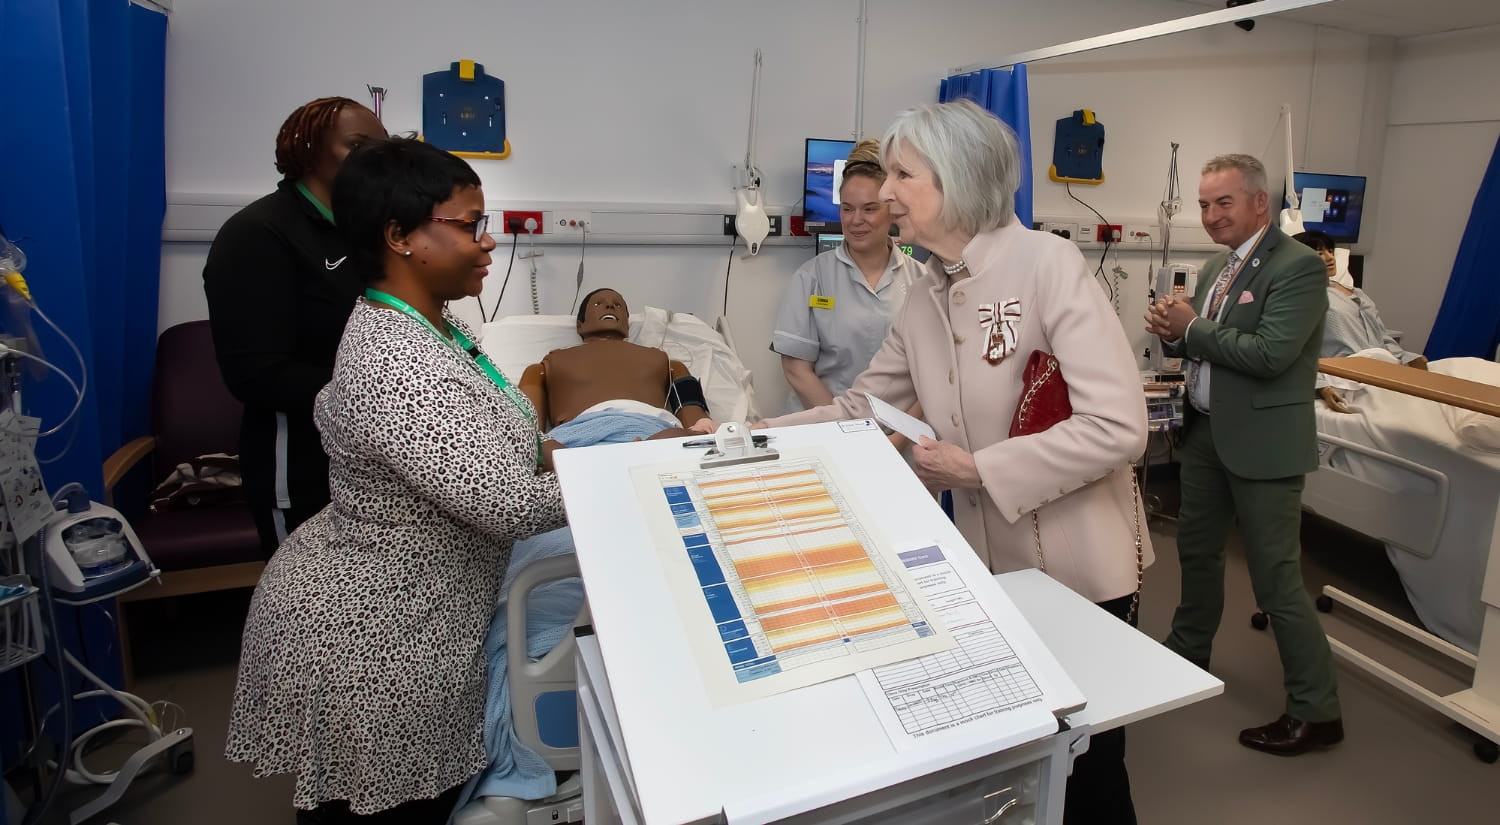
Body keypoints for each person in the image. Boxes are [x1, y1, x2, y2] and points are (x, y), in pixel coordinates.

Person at [758, 99, 1150, 825]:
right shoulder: (926, 291)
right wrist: (750, 435)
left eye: (905, 173)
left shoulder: (1047, 265)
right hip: (989, 566)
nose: (885, 193)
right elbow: (860, 409)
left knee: (1090, 763)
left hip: (1080, 567)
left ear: (958, 180)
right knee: (1025, 753)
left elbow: (1121, 427)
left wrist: (979, 470)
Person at [225, 138, 567, 823]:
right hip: (376, 639)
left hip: (409, 607)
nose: (487, 242)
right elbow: (507, 506)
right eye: (469, 224)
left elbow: (489, 435)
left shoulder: (433, 325)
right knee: (384, 809)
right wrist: (618, 469)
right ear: (400, 236)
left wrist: (559, 447)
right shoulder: (396, 362)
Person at [1145, 154, 1343, 756]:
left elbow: (1270, 354)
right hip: (1207, 434)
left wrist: (1193, 329)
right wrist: (1172, 331)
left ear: (1260, 202)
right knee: (1198, 554)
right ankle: (1188, 653)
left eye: (1222, 203)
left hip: (1264, 446)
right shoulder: (1215, 270)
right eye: (1204, 205)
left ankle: (1317, 709)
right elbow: (1210, 346)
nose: (1210, 216)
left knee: (1276, 580)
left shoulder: (1300, 268)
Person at [203, 96, 388, 550]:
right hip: (302, 461)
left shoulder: (370, 232)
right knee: (308, 603)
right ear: (308, 150)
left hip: (372, 457)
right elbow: (256, 375)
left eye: (380, 148)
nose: (373, 160)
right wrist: (385, 390)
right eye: (357, 145)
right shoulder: (259, 233)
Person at [770, 139, 925, 419]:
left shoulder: (922, 280)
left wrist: (898, 437)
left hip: (899, 433)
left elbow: (931, 377)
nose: (855, 220)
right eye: (847, 208)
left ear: (891, 210)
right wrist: (849, 427)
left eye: (869, 209)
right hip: (826, 424)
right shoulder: (812, 277)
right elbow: (796, 369)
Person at [519, 287, 716, 446]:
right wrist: (539, 449)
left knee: (677, 441)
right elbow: (525, 427)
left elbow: (696, 421)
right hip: (582, 439)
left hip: (654, 434)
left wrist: (700, 430)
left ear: (628, 325)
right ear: (580, 325)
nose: (610, 307)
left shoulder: (666, 363)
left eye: (618, 305)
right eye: (599, 304)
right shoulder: (549, 364)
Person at [1292, 229, 1427, 414]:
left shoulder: (1357, 293)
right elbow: (1296, 351)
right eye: (1319, 253)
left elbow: (1382, 335)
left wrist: (1408, 358)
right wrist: (1321, 386)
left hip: (1386, 368)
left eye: (1330, 251)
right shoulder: (1302, 298)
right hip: (1350, 376)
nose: (1330, 257)